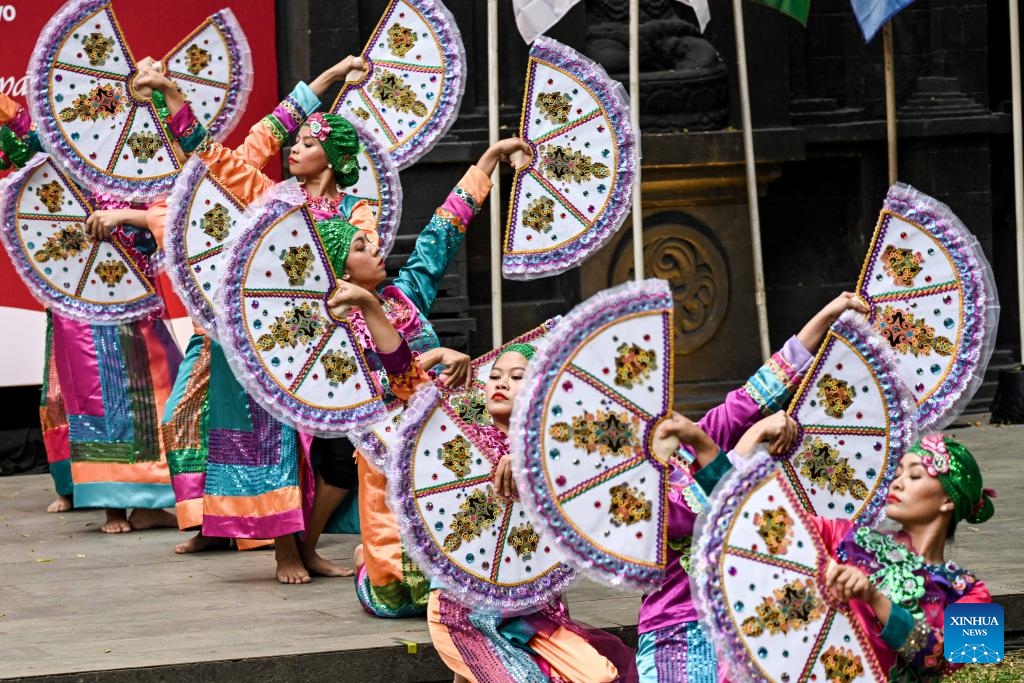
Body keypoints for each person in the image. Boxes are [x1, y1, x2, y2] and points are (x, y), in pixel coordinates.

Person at [328, 278, 637, 682]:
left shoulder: (554, 452)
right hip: (463, 606)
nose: (501, 382)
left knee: (601, 675)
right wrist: (370, 305)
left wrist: (528, 463)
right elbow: (406, 379)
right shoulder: (460, 433)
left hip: (533, 608)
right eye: (496, 375)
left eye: (517, 376)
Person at [634, 292, 869, 682]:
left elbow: (759, 391)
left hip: (746, 620)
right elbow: (706, 505)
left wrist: (828, 314)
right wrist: (752, 436)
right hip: (675, 630)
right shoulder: (635, 499)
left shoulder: (694, 444)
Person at [1, 93, 182, 532]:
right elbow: (23, 140)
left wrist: (125, 217)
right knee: (96, 397)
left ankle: (150, 499)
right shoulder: (62, 156)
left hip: (134, 295)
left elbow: (163, 217)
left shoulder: (137, 161)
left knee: (155, 393)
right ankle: (111, 503)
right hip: (80, 300)